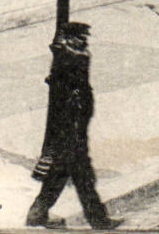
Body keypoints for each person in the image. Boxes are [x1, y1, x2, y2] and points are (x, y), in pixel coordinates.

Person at [26, 22, 120, 230]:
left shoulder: (73, 56)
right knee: (81, 178)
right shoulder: (69, 59)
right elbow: (69, 97)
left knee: (60, 177)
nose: (84, 40)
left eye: (84, 37)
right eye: (79, 37)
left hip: (72, 129)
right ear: (69, 38)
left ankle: (38, 213)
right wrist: (76, 127)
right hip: (69, 130)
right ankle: (99, 221)